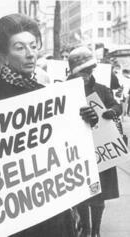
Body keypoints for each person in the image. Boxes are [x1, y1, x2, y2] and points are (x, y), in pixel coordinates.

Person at [0, 14, 99, 237]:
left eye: (33, 46)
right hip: (19, 223)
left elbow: (68, 151)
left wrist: (85, 122)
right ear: (3, 55)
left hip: (55, 212)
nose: (30, 53)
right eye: (20, 48)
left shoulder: (49, 96)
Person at [67, 46, 122, 237]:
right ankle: (86, 229)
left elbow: (117, 105)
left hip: (100, 148)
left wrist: (112, 111)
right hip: (76, 150)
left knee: (99, 195)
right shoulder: (63, 92)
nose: (88, 75)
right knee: (82, 192)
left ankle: (96, 231)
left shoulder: (101, 89)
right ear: (74, 70)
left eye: (90, 70)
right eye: (83, 71)